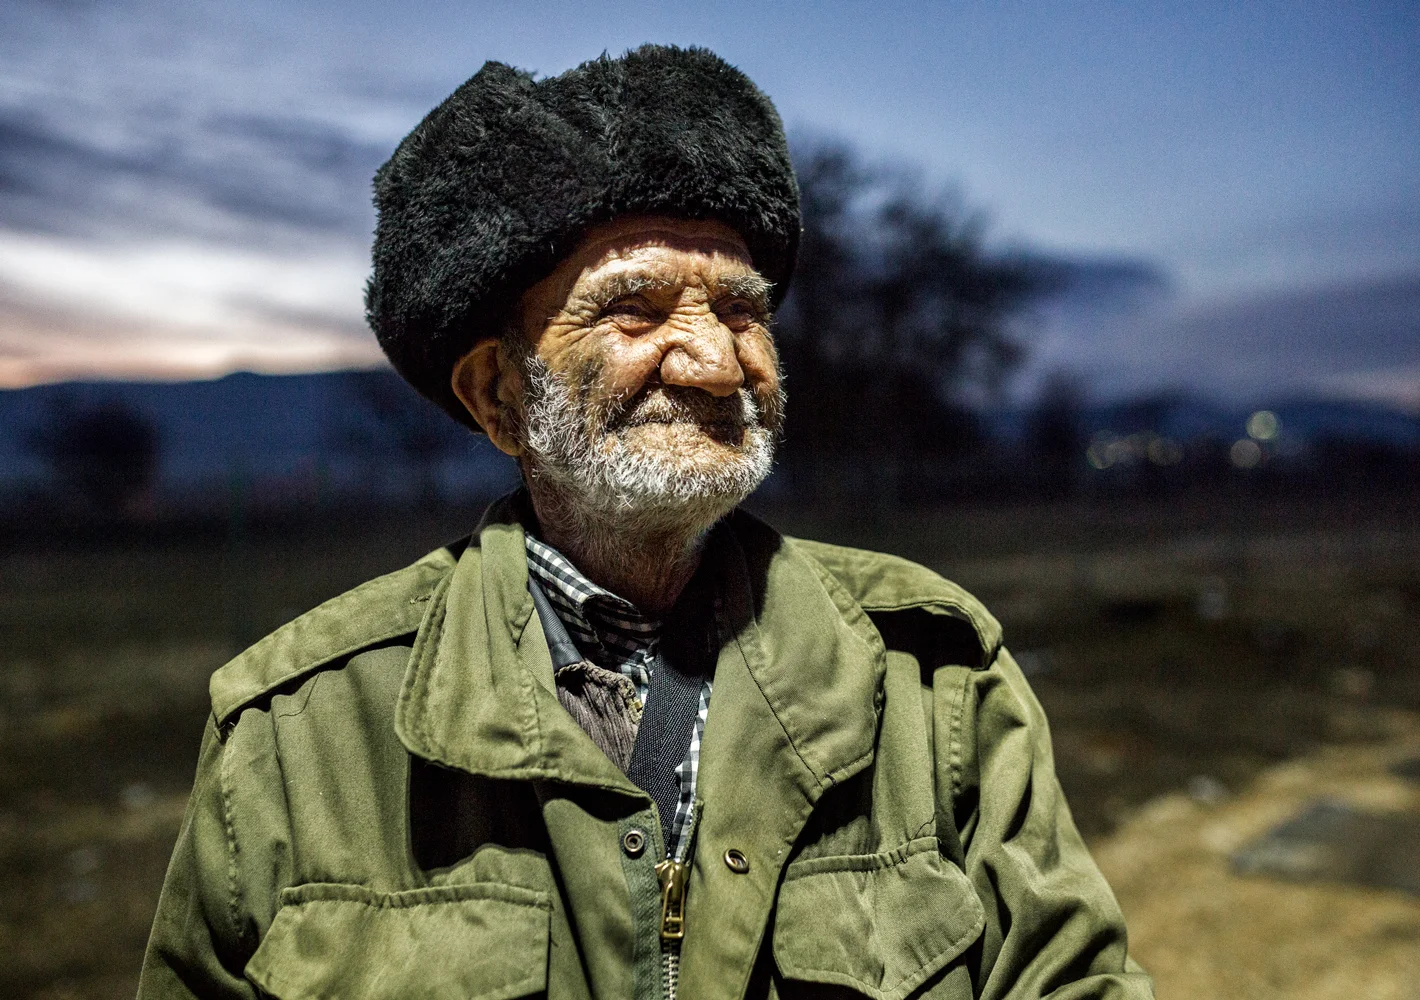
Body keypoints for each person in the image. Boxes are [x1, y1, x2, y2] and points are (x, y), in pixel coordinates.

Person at [138, 45, 1153, 1000]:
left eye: (743, 310)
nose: (717, 362)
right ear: (499, 398)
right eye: (635, 308)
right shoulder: (297, 735)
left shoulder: (936, 686)